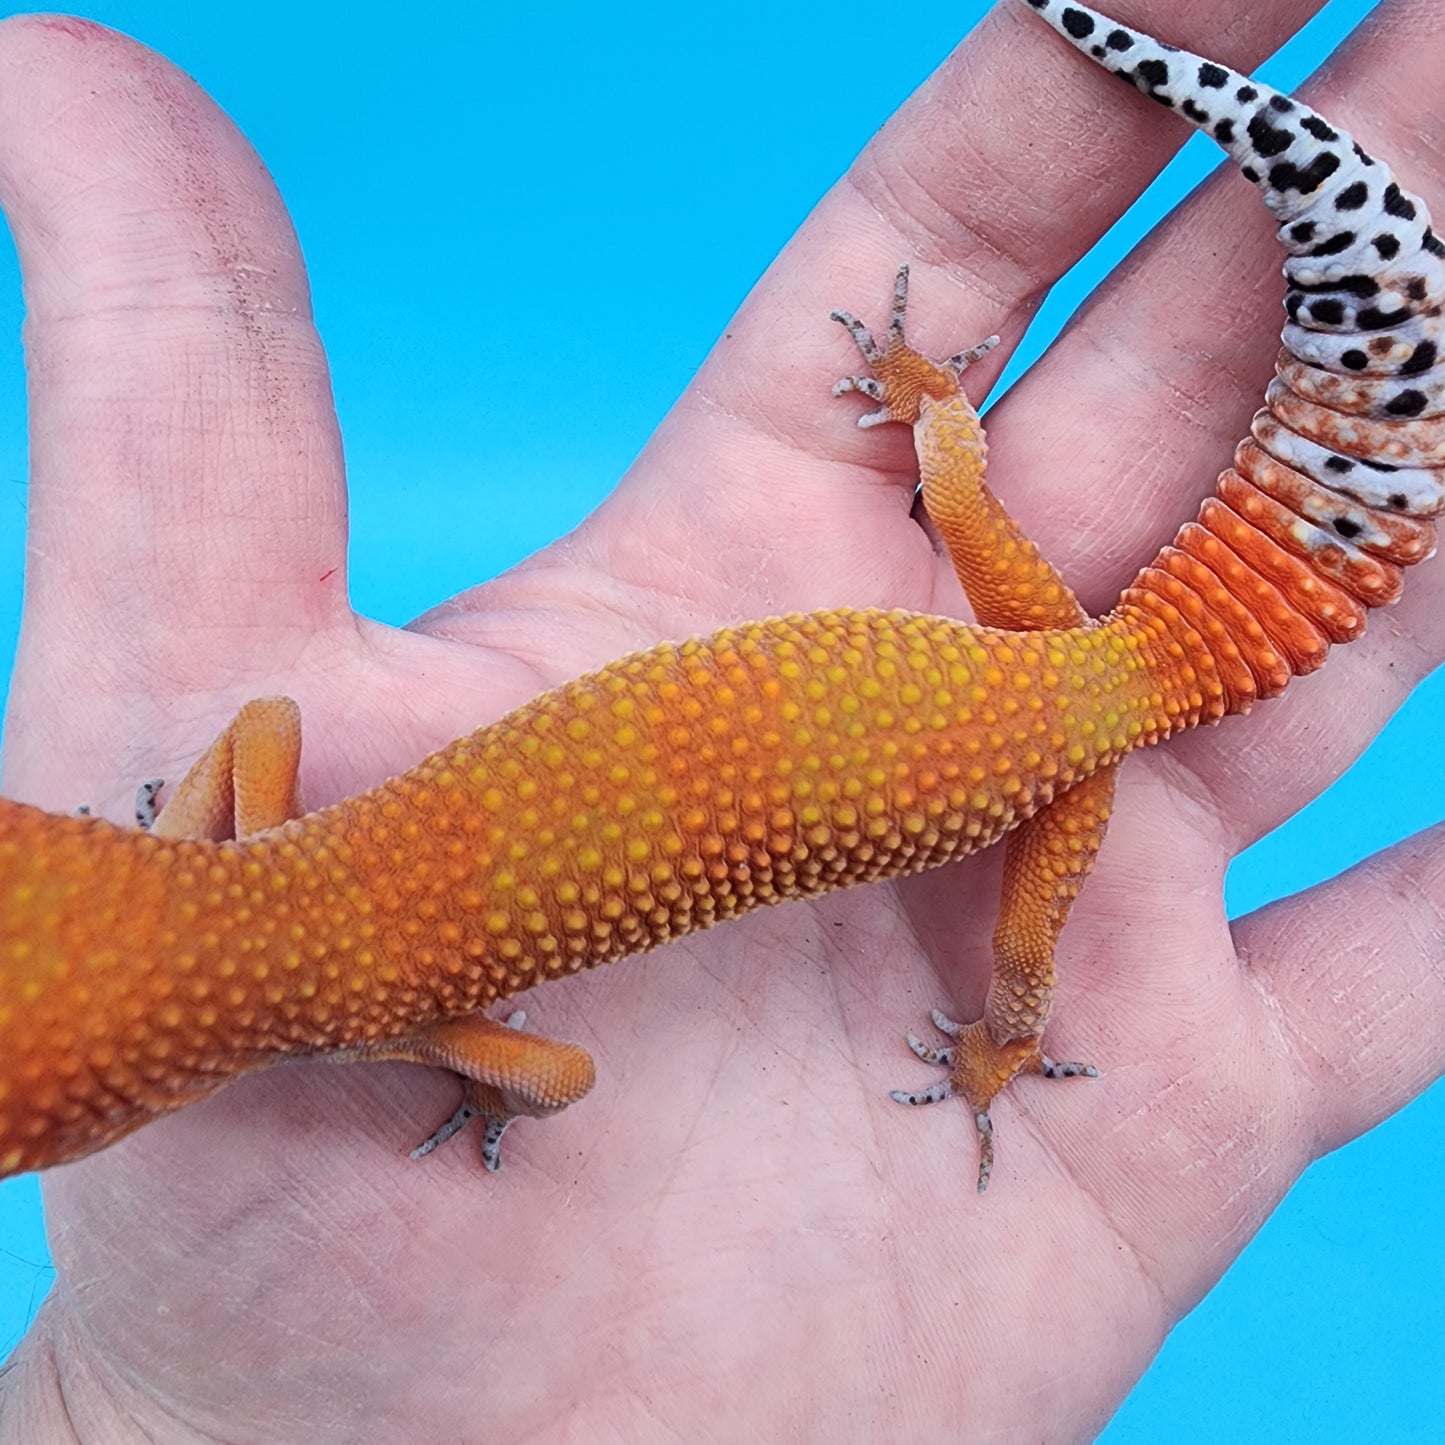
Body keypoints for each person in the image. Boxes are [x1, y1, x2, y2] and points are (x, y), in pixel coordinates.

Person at [1, 2, 1440, 1439]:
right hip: (1034, 682)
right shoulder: (277, 873)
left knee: (1020, 970)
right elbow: (265, 730)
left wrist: (448, 1061)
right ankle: (960, 410)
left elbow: (550, 1074)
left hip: (1062, 721)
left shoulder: (368, 1018)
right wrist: (191, 859)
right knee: (958, 527)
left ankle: (1005, 1048)